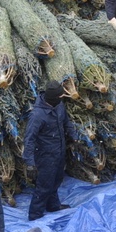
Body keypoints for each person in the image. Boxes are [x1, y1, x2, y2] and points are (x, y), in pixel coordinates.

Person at [23, 82, 77, 221]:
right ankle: (35, 215)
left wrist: (74, 137)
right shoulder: (37, 115)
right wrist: (30, 163)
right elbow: (29, 139)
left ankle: (53, 206)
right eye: (60, 95)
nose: (62, 97)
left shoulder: (59, 106)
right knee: (44, 186)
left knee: (57, 180)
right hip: (45, 155)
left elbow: (66, 123)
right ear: (53, 98)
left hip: (59, 151)